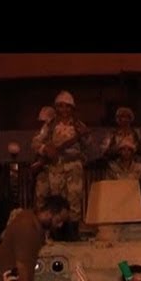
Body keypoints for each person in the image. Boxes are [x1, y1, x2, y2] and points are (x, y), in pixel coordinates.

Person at [0, 195, 70, 281]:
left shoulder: (31, 222)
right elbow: (22, 269)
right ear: (49, 213)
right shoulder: (27, 227)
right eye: (58, 220)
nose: (60, 225)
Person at [31, 90, 92, 240]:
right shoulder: (49, 125)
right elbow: (36, 142)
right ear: (56, 107)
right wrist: (45, 149)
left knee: (74, 200)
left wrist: (84, 137)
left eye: (67, 106)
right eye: (60, 106)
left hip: (74, 166)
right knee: (56, 202)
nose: (64, 110)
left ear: (72, 108)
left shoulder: (79, 125)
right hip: (55, 167)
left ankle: (72, 234)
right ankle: (55, 234)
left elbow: (88, 146)